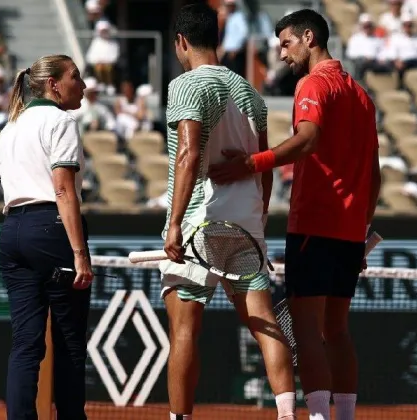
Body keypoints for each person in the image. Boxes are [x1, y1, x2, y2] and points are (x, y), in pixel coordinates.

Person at [208, 9, 382, 420]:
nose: (282, 54)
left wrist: (251, 163)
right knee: (336, 331)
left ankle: (318, 417)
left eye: (286, 43)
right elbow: (374, 176)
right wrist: (360, 230)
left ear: (309, 38)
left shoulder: (313, 83)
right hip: (347, 232)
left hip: (315, 225)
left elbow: (307, 139)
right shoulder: (361, 94)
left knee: (307, 330)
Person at [161, 4, 296, 420]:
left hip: (198, 220)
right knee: (264, 324)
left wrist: (175, 223)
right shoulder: (251, 94)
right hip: (246, 221)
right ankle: (290, 414)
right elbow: (265, 165)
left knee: (185, 330)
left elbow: (188, 153)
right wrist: (258, 217)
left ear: (181, 42)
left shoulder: (186, 85)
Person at [0, 54, 92, 420]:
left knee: (25, 344)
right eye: (75, 77)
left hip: (12, 231)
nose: (82, 85)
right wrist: (79, 253)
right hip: (52, 231)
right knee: (69, 344)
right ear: (53, 84)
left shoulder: (9, 128)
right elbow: (63, 191)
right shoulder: (60, 120)